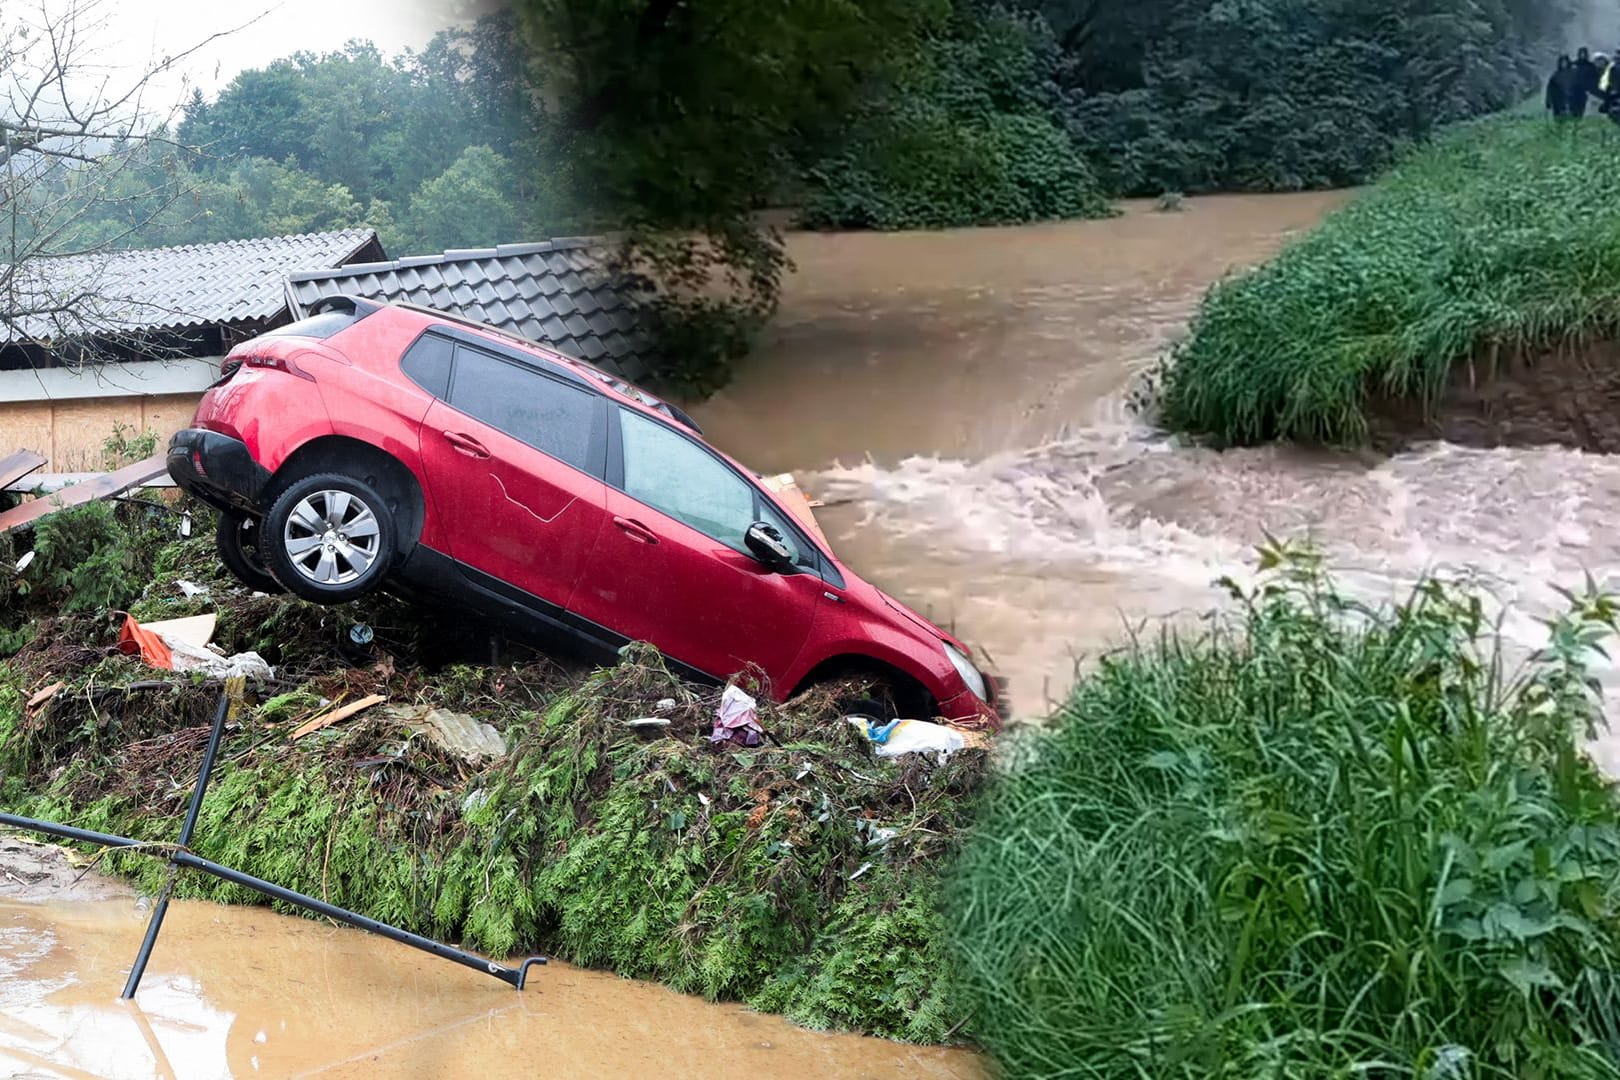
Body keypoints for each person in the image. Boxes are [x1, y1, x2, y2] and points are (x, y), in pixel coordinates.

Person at [1548, 55, 1578, 120]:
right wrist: (1548, 101)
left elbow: (1578, 87)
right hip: (1558, 102)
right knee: (1558, 120)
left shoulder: (1573, 74)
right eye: (1562, 62)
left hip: (1571, 101)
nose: (1564, 64)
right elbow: (1550, 89)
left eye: (1565, 62)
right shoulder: (1555, 75)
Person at [1575, 47, 1600, 117]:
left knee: (1583, 107)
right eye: (1581, 53)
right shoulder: (1574, 65)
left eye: (1584, 53)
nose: (1582, 55)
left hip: (1587, 90)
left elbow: (1595, 79)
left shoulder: (1591, 66)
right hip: (1575, 90)